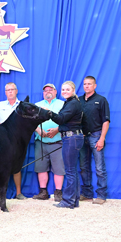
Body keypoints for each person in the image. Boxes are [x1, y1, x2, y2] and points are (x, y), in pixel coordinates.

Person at [49, 81, 83, 209]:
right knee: (72, 170)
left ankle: (68, 201)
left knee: (69, 170)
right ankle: (74, 200)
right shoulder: (71, 102)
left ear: (73, 90)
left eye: (67, 89)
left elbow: (61, 119)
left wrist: (49, 112)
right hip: (73, 137)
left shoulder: (72, 103)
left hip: (71, 137)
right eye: (63, 89)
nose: (64, 92)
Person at [79, 76, 110, 205]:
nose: (87, 86)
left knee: (99, 167)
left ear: (95, 86)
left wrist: (102, 139)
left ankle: (101, 195)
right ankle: (87, 194)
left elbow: (106, 121)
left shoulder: (101, 100)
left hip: (96, 136)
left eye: (89, 84)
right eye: (85, 84)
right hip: (81, 137)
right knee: (83, 167)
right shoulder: (78, 100)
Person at [0, 82, 26, 200]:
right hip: (2, 141)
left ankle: (18, 193)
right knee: (0, 166)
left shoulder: (22, 105)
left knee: (17, 166)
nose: (10, 91)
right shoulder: (0, 105)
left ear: (16, 91)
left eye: (12, 89)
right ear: (5, 92)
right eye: (8, 90)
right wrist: (5, 132)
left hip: (18, 140)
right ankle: (0, 195)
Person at [32, 84, 65, 202]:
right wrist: (38, 130)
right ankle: (43, 192)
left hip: (57, 141)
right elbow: (31, 121)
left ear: (56, 92)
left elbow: (67, 120)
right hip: (41, 142)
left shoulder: (62, 104)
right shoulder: (37, 105)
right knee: (41, 167)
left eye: (50, 90)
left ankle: (58, 192)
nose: (47, 92)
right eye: (45, 90)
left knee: (59, 168)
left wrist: (57, 130)